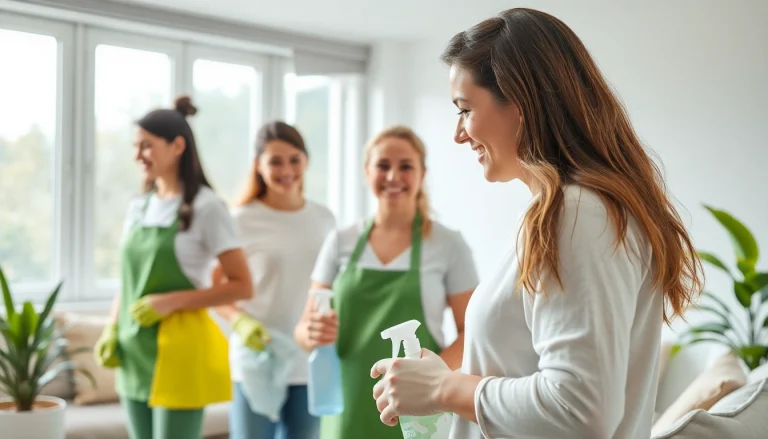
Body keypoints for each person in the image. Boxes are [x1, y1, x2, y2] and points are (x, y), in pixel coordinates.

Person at [370, 8, 704, 439]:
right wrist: (444, 382)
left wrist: (443, 388)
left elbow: (580, 410)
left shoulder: (577, 214)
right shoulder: (573, 211)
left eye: (465, 109)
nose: (459, 133)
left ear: (521, 103)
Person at [295, 125, 480, 439]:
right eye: (383, 166)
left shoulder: (448, 245)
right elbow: (303, 331)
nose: (393, 176)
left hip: (418, 408)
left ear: (422, 174)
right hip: (347, 405)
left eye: (405, 166)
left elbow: (471, 331)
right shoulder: (340, 241)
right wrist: (310, 333)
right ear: (367, 172)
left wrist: (428, 377)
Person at [92, 96, 255, 439]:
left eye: (146, 146)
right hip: (133, 348)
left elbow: (242, 285)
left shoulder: (207, 208)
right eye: (136, 146)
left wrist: (169, 301)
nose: (138, 156)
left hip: (178, 351)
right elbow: (128, 279)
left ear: (177, 146)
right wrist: (110, 327)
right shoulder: (139, 206)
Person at [212, 121, 336, 439]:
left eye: (294, 159)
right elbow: (216, 289)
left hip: (309, 360)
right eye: (275, 161)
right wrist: (239, 321)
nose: (286, 170)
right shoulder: (239, 220)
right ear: (258, 166)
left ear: (306, 160)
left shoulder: (324, 219)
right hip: (256, 360)